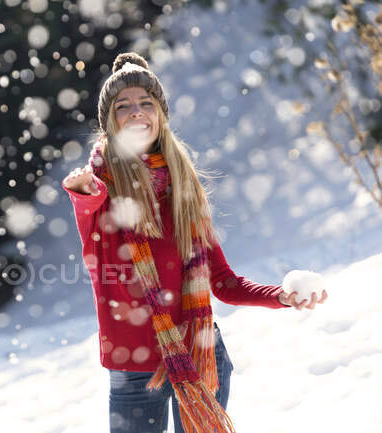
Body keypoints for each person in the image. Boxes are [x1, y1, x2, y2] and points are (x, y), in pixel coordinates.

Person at [61, 52, 328, 433]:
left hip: (201, 355)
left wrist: (280, 296)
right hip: (132, 369)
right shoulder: (101, 188)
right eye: (123, 106)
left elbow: (223, 282)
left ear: (161, 117)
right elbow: (90, 226)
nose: (136, 112)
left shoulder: (183, 189)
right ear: (109, 123)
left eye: (145, 103)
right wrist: (82, 193)